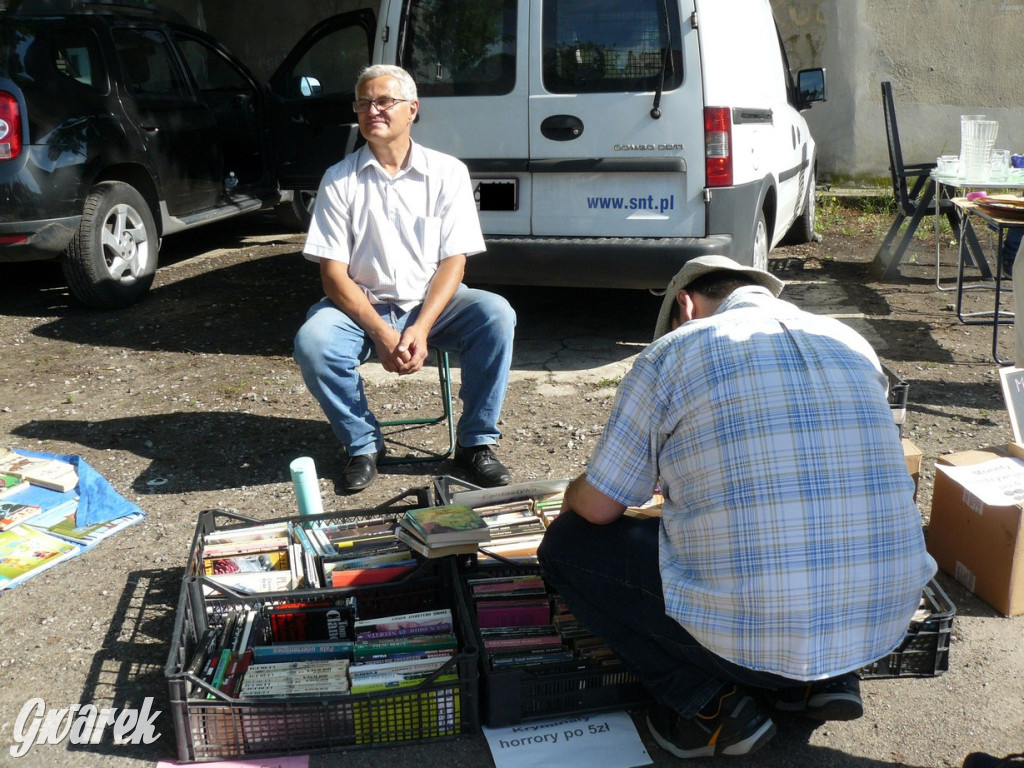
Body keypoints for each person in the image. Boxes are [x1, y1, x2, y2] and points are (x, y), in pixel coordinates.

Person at [537, 255, 937, 759]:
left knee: (568, 545)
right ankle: (823, 682)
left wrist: (572, 493)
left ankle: (710, 708)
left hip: (756, 637)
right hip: (883, 619)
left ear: (685, 305)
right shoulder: (850, 340)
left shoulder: (674, 352)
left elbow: (598, 507)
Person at [293, 64, 516, 493]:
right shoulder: (339, 180)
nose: (372, 110)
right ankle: (362, 444)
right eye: (363, 103)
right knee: (314, 342)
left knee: (496, 315)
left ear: (412, 109)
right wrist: (380, 332)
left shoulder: (447, 173)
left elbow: (454, 262)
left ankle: (475, 443)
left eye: (383, 101)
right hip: (362, 304)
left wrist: (421, 327)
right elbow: (333, 276)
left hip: (431, 303)